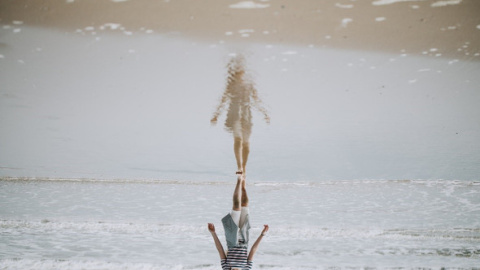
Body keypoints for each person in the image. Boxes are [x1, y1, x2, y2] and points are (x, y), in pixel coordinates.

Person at [211, 55, 270, 175]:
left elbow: (256, 99)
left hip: (247, 114)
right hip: (234, 114)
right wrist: (216, 114)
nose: (238, 72)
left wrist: (264, 113)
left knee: (246, 143)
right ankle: (239, 166)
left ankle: (244, 165)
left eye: (240, 70)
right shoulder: (230, 84)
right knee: (238, 138)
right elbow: (223, 99)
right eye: (236, 70)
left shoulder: (249, 84)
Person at [208, 174, 269, 270]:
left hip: (232, 239)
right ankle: (243, 185)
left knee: (236, 206)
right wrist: (262, 234)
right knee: (244, 204)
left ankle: (239, 180)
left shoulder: (226, 268)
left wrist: (213, 233)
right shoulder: (246, 268)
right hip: (244, 240)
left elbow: (220, 250)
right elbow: (253, 250)